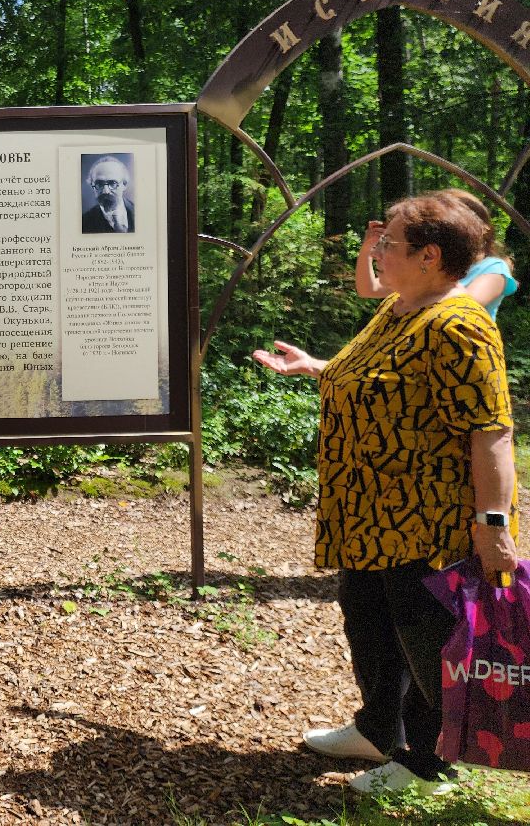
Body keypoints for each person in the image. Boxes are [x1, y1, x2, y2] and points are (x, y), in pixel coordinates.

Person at [254, 193, 518, 796]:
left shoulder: (459, 325)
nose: (378, 252)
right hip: (367, 516)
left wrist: (492, 522)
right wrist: (316, 367)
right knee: (370, 624)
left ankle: (429, 766)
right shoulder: (400, 309)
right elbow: (377, 377)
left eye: (389, 245)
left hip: (426, 521)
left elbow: (492, 432)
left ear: (428, 257)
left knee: (428, 641)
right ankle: (378, 729)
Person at [357, 188, 518, 319]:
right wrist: (369, 247)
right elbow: (368, 289)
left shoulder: (494, 268)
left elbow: (463, 307)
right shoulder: (423, 278)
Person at [81, 155, 135, 233]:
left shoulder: (140, 213)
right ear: (92, 186)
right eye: (99, 184)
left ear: (124, 185)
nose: (105, 191)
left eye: (113, 183)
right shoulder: (84, 222)